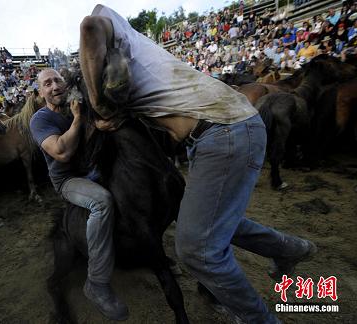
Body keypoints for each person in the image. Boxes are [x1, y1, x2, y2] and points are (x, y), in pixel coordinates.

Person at [78, 5, 317, 323]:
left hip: (224, 130)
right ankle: (289, 249)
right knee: (214, 222)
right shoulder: (129, 50)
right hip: (220, 131)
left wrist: (96, 102)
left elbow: (90, 26)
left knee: (195, 250)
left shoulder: (108, 26)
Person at [29, 68, 128, 321]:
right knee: (102, 202)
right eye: (47, 84)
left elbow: (100, 124)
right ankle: (96, 282)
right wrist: (76, 120)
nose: (54, 86)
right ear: (41, 93)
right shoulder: (40, 120)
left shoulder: (80, 108)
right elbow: (61, 152)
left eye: (57, 80)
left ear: (65, 83)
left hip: (94, 169)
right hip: (69, 180)